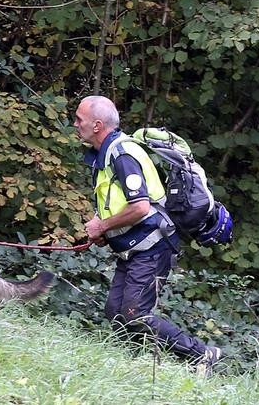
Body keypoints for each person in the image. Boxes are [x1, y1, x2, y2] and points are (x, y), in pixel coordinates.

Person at [74, 95, 221, 373]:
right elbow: (116, 202)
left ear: (96, 125)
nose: (74, 124)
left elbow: (140, 207)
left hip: (153, 247)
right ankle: (135, 368)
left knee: (135, 315)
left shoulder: (122, 154)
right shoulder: (105, 154)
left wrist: (103, 227)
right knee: (116, 312)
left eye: (79, 119)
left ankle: (203, 355)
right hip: (134, 247)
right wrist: (103, 227)